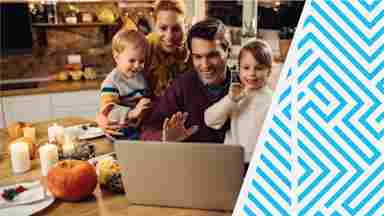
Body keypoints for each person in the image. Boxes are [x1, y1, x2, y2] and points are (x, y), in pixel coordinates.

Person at [141, 18, 232, 142]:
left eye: (212, 55)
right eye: (198, 57)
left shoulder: (247, 86)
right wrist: (164, 137)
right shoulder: (181, 87)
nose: (205, 65)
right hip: (188, 160)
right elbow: (148, 131)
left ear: (228, 52)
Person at [204, 39, 274, 166]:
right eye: (246, 68)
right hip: (232, 162)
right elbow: (210, 119)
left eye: (258, 68)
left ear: (269, 71)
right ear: (239, 69)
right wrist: (230, 100)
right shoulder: (235, 95)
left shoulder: (272, 100)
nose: (252, 73)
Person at [98, 29, 151, 139]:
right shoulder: (111, 82)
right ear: (117, 57)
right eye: (132, 60)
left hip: (138, 127)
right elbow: (108, 110)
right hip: (121, 131)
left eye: (141, 61)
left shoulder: (139, 76)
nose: (137, 66)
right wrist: (132, 113)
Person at [144, 0, 193, 96]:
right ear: (154, 26)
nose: (169, 36)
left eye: (176, 29)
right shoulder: (143, 47)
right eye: (163, 28)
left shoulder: (194, 48)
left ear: (186, 26)